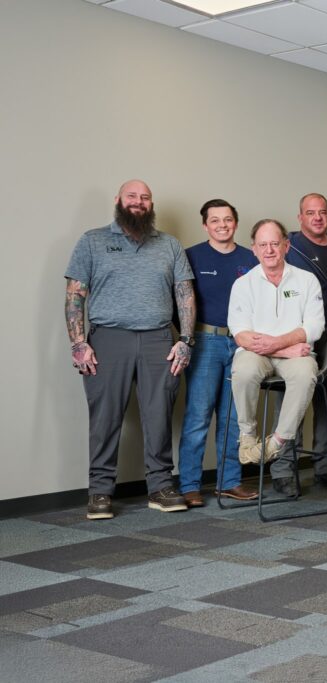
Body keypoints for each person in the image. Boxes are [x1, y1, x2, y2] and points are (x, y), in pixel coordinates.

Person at [65, 179, 195, 520]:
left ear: (151, 205)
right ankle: (100, 493)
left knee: (159, 416)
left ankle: (161, 487)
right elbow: (75, 295)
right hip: (108, 339)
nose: (139, 202)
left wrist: (186, 341)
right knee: (105, 418)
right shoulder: (93, 241)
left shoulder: (169, 244)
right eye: (132, 196)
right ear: (119, 201)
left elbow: (185, 295)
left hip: (159, 340)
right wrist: (79, 343)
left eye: (145, 198)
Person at [228, 219, 325, 498]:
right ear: (254, 250)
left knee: (307, 374)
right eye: (263, 245)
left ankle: (277, 442)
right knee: (243, 370)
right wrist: (281, 348)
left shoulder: (306, 280)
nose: (269, 250)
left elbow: (314, 327)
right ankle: (248, 435)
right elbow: (241, 335)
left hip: (296, 355)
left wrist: (278, 343)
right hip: (260, 353)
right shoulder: (243, 284)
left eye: (274, 243)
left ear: (286, 245)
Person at [177, 199, 259, 508]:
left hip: (241, 345)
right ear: (205, 225)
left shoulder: (250, 258)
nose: (222, 225)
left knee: (234, 418)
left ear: (235, 223)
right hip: (206, 342)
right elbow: (179, 302)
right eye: (215, 220)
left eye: (227, 220)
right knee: (198, 416)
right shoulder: (192, 256)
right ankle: (189, 486)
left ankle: (229, 482)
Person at [285, 193, 327, 489]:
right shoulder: (288, 247)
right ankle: (285, 471)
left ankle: (326, 466)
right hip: (296, 339)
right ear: (300, 217)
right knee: (292, 404)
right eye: (310, 212)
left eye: (322, 212)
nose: (317, 217)